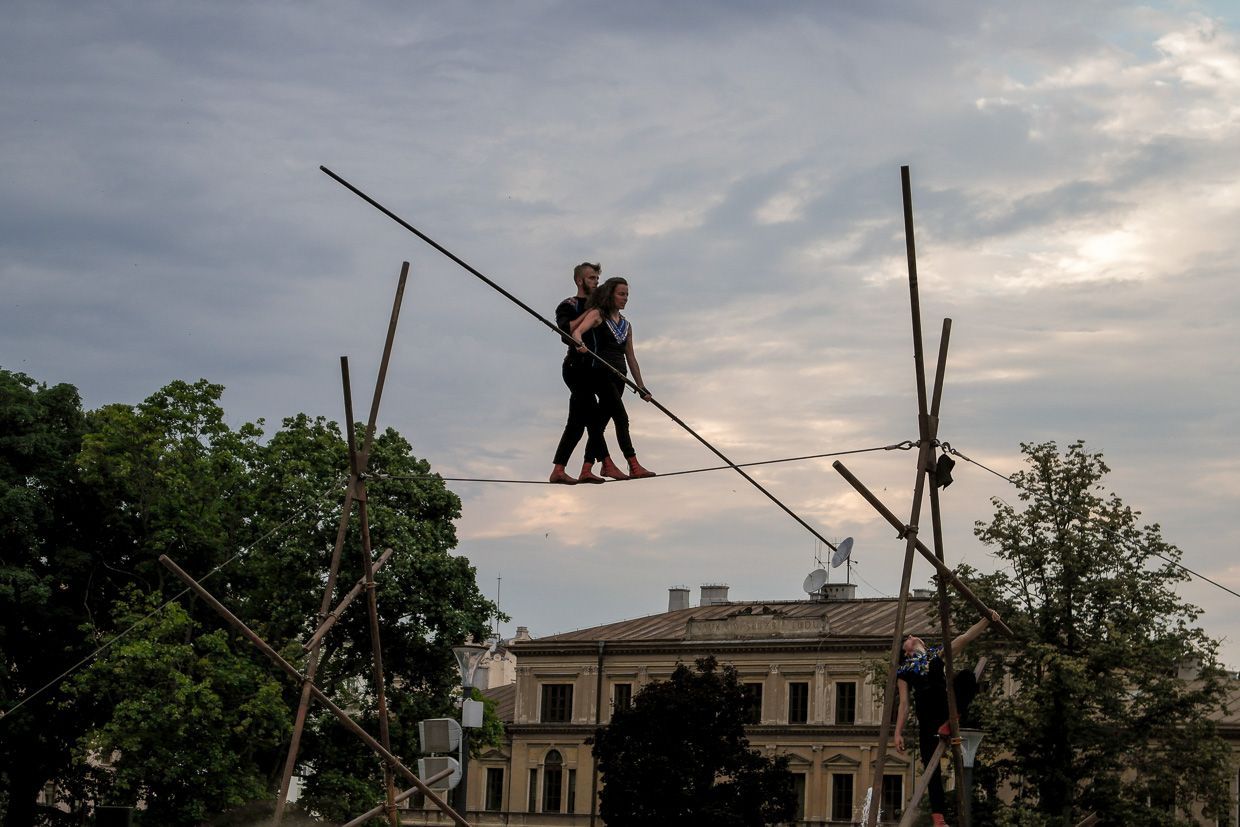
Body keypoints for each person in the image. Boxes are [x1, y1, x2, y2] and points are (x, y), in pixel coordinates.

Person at [894, 610, 999, 827]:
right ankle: (938, 818)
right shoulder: (903, 671)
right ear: (906, 651)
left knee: (968, 677)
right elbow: (904, 704)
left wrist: (986, 619)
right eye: (908, 638)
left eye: (911, 636)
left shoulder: (936, 655)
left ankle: (953, 720)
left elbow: (965, 637)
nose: (912, 636)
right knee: (931, 769)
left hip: (944, 707)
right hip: (926, 715)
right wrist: (897, 733)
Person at [549, 262, 627, 485]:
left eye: (597, 278)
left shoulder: (599, 308)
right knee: (592, 417)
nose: (596, 282)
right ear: (579, 280)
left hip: (595, 370)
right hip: (576, 368)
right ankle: (607, 462)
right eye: (591, 278)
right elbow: (566, 332)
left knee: (576, 422)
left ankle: (559, 469)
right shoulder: (569, 305)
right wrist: (587, 316)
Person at [570, 276, 655, 479]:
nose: (625, 298)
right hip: (601, 373)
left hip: (620, 377)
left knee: (599, 423)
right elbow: (577, 331)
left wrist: (641, 387)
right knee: (621, 418)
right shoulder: (598, 315)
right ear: (610, 294)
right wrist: (579, 343)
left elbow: (631, 357)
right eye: (621, 294)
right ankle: (633, 464)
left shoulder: (627, 325)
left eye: (627, 295)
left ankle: (586, 467)